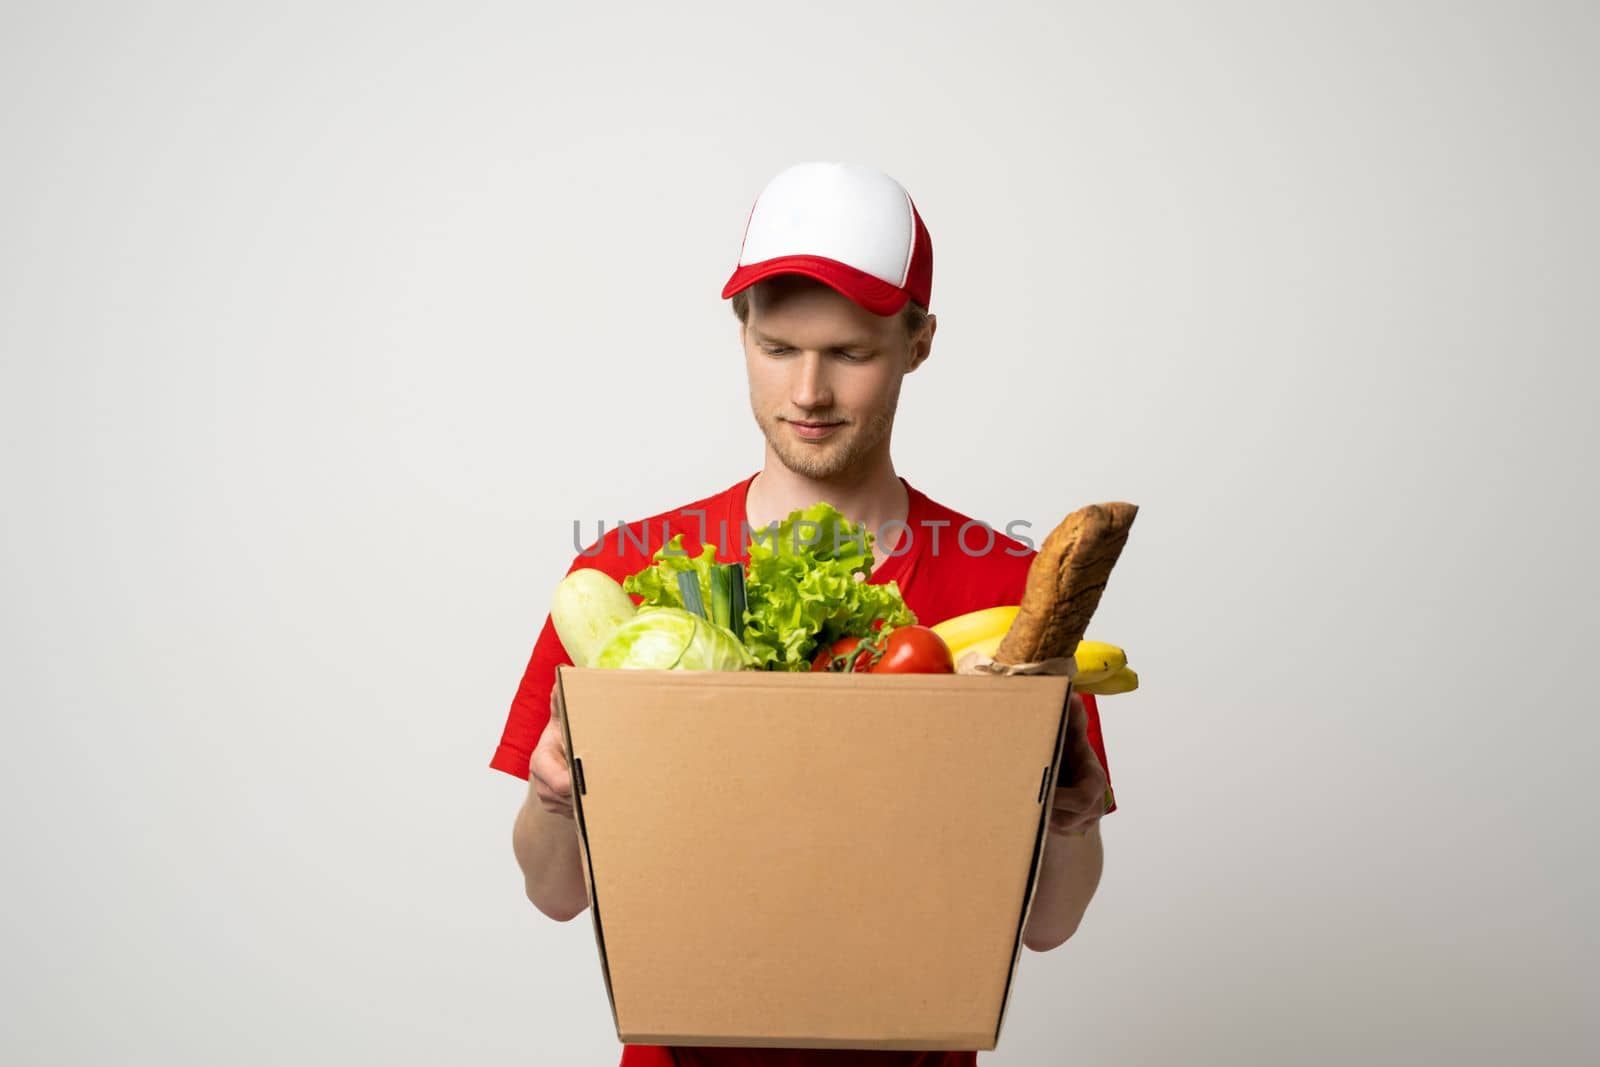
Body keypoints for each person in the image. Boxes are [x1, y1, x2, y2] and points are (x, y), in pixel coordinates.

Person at [492, 161, 1115, 1067]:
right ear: (740, 333)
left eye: (851, 353)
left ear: (919, 342)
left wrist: (1073, 816)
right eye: (777, 348)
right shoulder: (623, 577)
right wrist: (556, 797)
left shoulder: (1013, 597)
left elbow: (1049, 926)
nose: (809, 393)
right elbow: (556, 896)